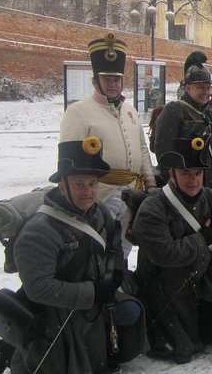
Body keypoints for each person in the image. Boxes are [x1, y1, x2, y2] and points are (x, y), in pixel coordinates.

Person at [0, 138, 143, 374]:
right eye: (79, 184)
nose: (87, 192)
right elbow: (39, 288)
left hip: (92, 301)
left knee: (131, 312)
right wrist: (93, 293)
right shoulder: (38, 231)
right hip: (53, 311)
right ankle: (5, 349)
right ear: (62, 186)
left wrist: (113, 275)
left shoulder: (100, 214)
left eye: (92, 183)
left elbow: (113, 247)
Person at [132, 138, 212, 364]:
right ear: (172, 174)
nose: (193, 181)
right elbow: (165, 253)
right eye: (186, 174)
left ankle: (209, 328)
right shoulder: (153, 207)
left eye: (198, 174)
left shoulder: (209, 197)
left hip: (200, 273)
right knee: (183, 344)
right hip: (165, 282)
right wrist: (202, 240)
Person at [60, 33, 158, 261]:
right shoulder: (78, 112)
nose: (113, 84)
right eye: (107, 80)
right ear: (96, 82)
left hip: (131, 193)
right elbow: (68, 163)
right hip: (99, 193)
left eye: (116, 79)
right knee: (96, 249)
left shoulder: (130, 111)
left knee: (123, 249)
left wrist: (150, 182)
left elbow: (142, 149)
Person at [154, 51, 212, 204]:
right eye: (201, 87)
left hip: (207, 181)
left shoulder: (207, 112)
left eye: (208, 88)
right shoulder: (174, 110)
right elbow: (163, 150)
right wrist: (174, 182)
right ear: (187, 88)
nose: (206, 92)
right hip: (183, 182)